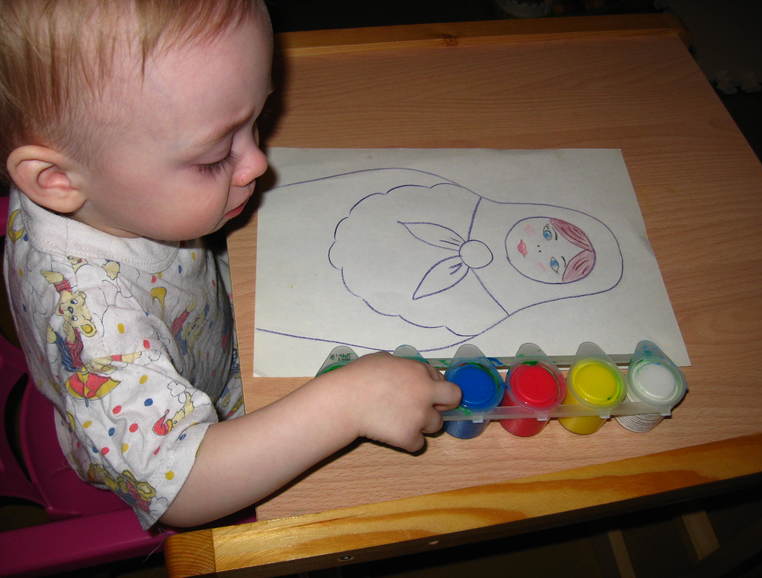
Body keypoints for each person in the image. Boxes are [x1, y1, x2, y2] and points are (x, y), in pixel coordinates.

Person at [0, 0, 460, 529]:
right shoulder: (98, 329)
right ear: (56, 181)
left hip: (206, 328)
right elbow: (184, 490)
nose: (259, 163)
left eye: (257, 120)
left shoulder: (106, 189)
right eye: (214, 156)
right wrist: (349, 404)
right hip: (160, 435)